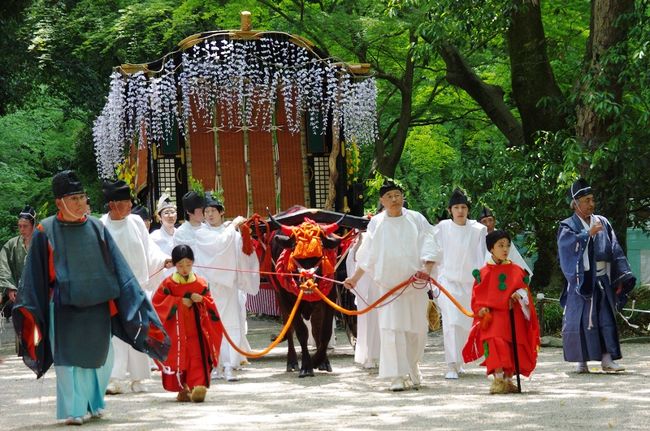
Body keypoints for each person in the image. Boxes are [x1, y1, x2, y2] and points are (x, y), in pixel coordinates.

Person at [12, 170, 169, 425]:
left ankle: (94, 403)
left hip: (99, 304)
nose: (80, 203)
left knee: (100, 360)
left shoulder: (97, 226)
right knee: (68, 361)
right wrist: (29, 309)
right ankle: (73, 410)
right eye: (73, 199)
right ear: (59, 202)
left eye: (82, 197)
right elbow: (34, 275)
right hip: (63, 306)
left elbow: (119, 268)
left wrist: (132, 297)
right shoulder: (45, 230)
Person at [344, 180, 440, 391]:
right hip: (388, 287)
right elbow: (368, 255)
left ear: (402, 197)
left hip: (415, 285)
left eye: (397, 195)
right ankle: (396, 375)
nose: (394, 199)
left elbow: (430, 244)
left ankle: (413, 365)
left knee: (417, 330)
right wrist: (356, 278)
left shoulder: (416, 218)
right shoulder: (376, 223)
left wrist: (427, 269)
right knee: (391, 330)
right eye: (389, 196)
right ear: (382, 200)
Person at [557, 178, 635, 373]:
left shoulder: (603, 222)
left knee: (606, 318)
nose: (592, 203)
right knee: (581, 321)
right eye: (587, 200)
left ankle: (607, 359)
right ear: (576, 204)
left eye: (592, 199)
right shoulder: (567, 226)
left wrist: (620, 277)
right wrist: (586, 235)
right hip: (581, 281)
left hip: (602, 279)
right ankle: (581, 362)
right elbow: (566, 249)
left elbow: (615, 249)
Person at [100, 180, 171, 394]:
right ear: (112, 204)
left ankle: (138, 378)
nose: (130, 205)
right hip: (114, 289)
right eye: (126, 202)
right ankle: (114, 378)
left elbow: (149, 248)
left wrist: (163, 260)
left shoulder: (137, 222)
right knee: (116, 334)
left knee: (140, 329)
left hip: (137, 286)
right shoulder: (101, 225)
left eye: (130, 201)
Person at [462, 230, 540, 394]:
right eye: (501, 245)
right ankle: (498, 379)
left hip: (513, 316)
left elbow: (525, 290)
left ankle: (508, 380)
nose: (505, 249)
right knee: (496, 344)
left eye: (508, 246)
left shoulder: (517, 270)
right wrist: (480, 309)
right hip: (493, 319)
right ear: (491, 248)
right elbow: (476, 297)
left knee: (512, 347)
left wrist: (519, 294)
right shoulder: (483, 273)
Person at [152, 244, 223, 402]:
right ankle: (183, 388)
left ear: (193, 263)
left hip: (196, 331)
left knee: (197, 357)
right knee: (179, 359)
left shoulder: (201, 284)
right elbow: (157, 305)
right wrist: (177, 302)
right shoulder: (168, 284)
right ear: (174, 265)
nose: (184, 269)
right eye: (180, 265)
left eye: (188, 264)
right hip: (176, 333)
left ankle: (197, 387)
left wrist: (202, 300)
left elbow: (211, 306)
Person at [200, 192, 258, 381]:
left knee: (232, 324)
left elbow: (241, 254)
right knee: (212, 325)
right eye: (206, 211)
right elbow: (219, 246)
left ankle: (229, 365)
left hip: (230, 285)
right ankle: (215, 364)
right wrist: (233, 226)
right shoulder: (203, 233)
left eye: (213, 211)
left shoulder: (231, 231)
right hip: (212, 286)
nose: (209, 215)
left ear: (221, 212)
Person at [434, 188, 487, 379]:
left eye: (463, 207)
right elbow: (433, 253)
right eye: (456, 207)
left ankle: (460, 360)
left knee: (465, 324)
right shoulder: (442, 228)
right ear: (450, 210)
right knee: (451, 323)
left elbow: (483, 257)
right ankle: (451, 365)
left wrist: (483, 281)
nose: (460, 211)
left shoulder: (478, 230)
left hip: (470, 284)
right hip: (448, 283)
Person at [346, 230, 380, 370]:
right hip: (368, 288)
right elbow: (356, 261)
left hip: (388, 284)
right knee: (370, 320)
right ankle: (370, 355)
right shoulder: (364, 238)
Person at [0, 206, 36, 321]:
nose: (22, 229)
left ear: (33, 225)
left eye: (25, 226)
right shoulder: (12, 245)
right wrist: (10, 288)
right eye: (19, 226)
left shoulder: (43, 242)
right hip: (18, 293)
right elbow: (3, 266)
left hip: (40, 293)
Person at [478, 206, 533, 277]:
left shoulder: (502, 237)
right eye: (484, 221)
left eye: (490, 220)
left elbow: (515, 258)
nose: (488, 224)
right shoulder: (477, 239)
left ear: (494, 221)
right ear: (479, 224)